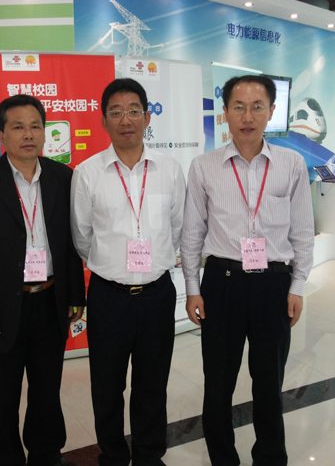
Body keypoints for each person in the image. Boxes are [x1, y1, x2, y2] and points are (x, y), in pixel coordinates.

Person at [181, 75, 314, 466]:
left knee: (269, 381)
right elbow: (192, 233)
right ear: (225, 112)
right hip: (221, 283)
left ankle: (270, 457)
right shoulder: (204, 166)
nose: (248, 116)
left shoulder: (291, 164)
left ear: (271, 112)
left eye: (257, 107)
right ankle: (222, 458)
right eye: (238, 107)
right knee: (218, 382)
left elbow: (302, 230)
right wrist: (192, 288)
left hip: (274, 283)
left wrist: (298, 286)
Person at [0, 94, 85, 466]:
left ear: (44, 132)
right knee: (2, 391)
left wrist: (75, 295)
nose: (28, 134)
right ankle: (5, 456)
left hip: (50, 299)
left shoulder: (63, 177)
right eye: (18, 127)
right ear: (2, 134)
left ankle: (46, 452)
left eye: (35, 126)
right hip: (1, 306)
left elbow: (70, 243)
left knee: (47, 387)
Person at [70, 78, 186, 466]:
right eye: (116, 112)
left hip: (157, 293)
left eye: (134, 110)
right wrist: (112, 264)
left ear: (147, 117)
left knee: (152, 383)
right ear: (103, 120)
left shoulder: (170, 170)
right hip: (109, 296)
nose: (126, 120)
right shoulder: (87, 173)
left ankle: (149, 455)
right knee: (107, 386)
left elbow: (177, 227)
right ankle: (114, 456)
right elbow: (82, 236)